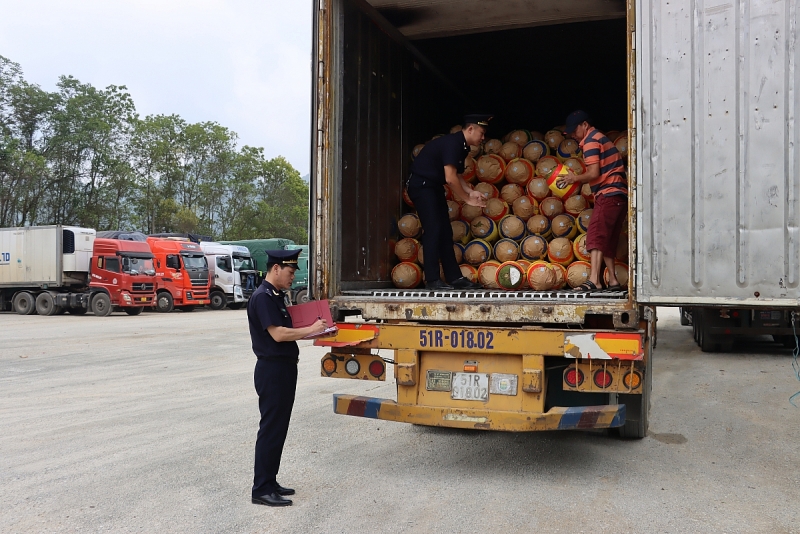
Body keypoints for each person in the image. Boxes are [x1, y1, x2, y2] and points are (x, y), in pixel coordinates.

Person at [248, 249, 328, 507]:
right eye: (290, 272)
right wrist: (312, 329)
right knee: (271, 428)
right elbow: (279, 334)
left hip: (283, 368)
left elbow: (288, 330)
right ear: (275, 269)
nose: (293, 277)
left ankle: (270, 481)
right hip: (272, 370)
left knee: (279, 428)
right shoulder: (263, 298)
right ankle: (261, 489)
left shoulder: (276, 296)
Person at [407, 114, 493, 290]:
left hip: (433, 187)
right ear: (470, 129)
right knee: (433, 230)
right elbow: (450, 178)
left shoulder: (462, 146)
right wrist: (467, 199)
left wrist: (470, 191)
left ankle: (454, 278)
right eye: (481, 132)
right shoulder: (453, 144)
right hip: (422, 186)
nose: (483, 137)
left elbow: (458, 175)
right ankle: (432, 279)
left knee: (445, 231)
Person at [557, 110, 628, 292]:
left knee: (595, 235)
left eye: (575, 130)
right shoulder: (600, 138)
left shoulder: (590, 141)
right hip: (619, 196)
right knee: (608, 240)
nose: (573, 135)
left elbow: (593, 173)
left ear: (585, 125)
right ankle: (612, 280)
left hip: (608, 193)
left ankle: (594, 280)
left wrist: (573, 179)